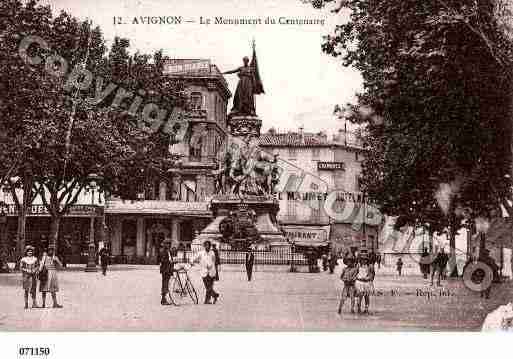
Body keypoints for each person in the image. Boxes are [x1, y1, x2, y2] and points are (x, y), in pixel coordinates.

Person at [158, 239, 174, 306]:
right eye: (167, 244)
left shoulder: (168, 251)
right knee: (165, 284)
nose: (169, 245)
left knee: (166, 284)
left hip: (168, 269)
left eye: (169, 244)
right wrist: (170, 262)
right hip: (165, 270)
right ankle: (163, 299)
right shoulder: (163, 251)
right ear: (165, 244)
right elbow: (162, 260)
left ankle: (164, 299)